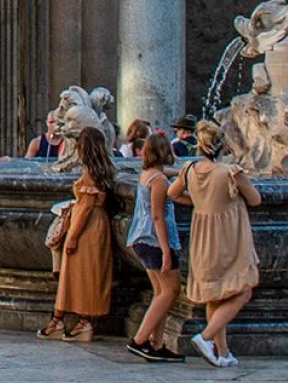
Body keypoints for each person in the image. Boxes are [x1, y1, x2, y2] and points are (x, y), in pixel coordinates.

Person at [172, 123, 262, 367]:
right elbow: (255, 200)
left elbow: (173, 193)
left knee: (215, 295)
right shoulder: (231, 171)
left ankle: (222, 352)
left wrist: (199, 204)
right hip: (229, 237)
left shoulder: (189, 169)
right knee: (243, 289)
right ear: (222, 145)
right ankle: (206, 336)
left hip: (202, 235)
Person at [42, 120, 117, 341]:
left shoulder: (90, 173)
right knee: (88, 276)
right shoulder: (103, 170)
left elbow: (85, 208)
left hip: (86, 228)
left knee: (75, 276)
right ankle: (79, 321)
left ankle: (65, 321)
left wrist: (72, 237)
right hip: (97, 224)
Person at [125, 131, 185, 361]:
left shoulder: (148, 174)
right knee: (171, 291)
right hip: (155, 240)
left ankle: (156, 344)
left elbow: (164, 173)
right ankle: (139, 340)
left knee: (160, 292)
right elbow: (158, 217)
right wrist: (167, 251)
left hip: (141, 237)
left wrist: (185, 171)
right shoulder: (159, 181)